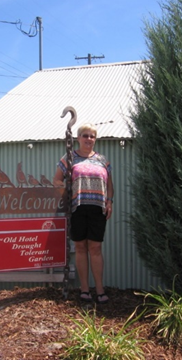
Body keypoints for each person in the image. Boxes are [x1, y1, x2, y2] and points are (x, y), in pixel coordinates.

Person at [53, 123, 114, 304]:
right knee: (80, 247)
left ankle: (100, 289)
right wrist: (66, 192)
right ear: (78, 138)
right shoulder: (69, 158)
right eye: (85, 135)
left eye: (92, 136)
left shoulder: (103, 160)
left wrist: (109, 201)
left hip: (98, 209)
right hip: (77, 208)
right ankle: (85, 289)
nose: (89, 139)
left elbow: (110, 185)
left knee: (95, 248)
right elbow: (57, 179)